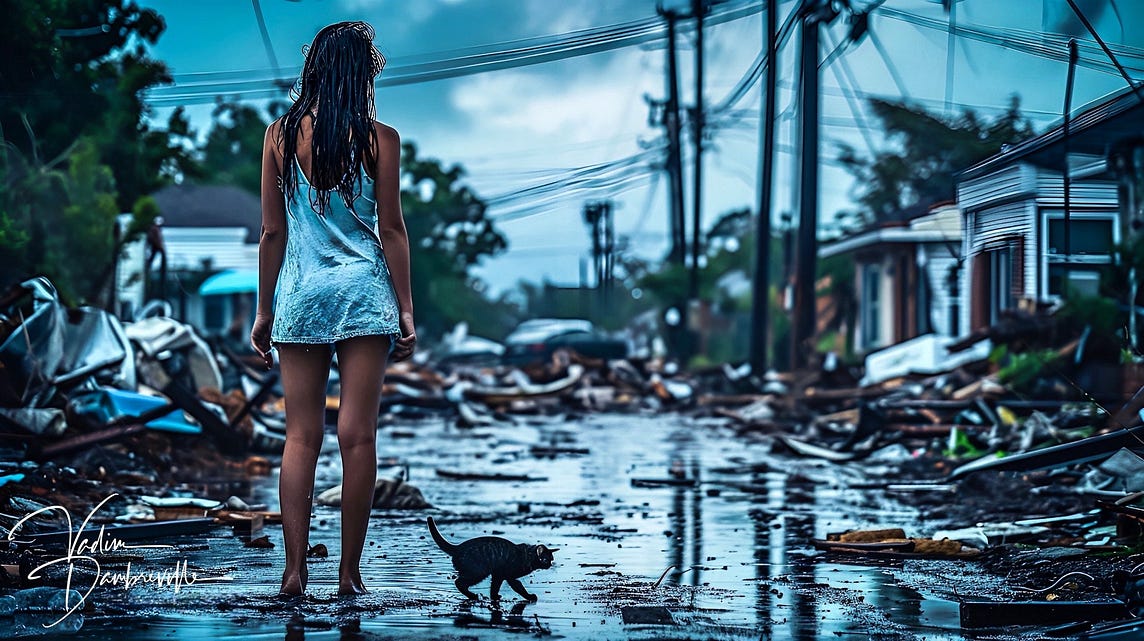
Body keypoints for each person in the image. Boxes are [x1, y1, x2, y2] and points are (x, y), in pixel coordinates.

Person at [250, 21, 416, 597]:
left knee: (301, 438)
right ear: (361, 72)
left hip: (299, 293)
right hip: (364, 295)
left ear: (315, 67)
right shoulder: (381, 140)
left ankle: (294, 573)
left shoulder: (276, 136)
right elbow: (391, 229)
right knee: (358, 437)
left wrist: (264, 311)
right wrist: (407, 309)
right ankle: (349, 574)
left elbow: (272, 233)